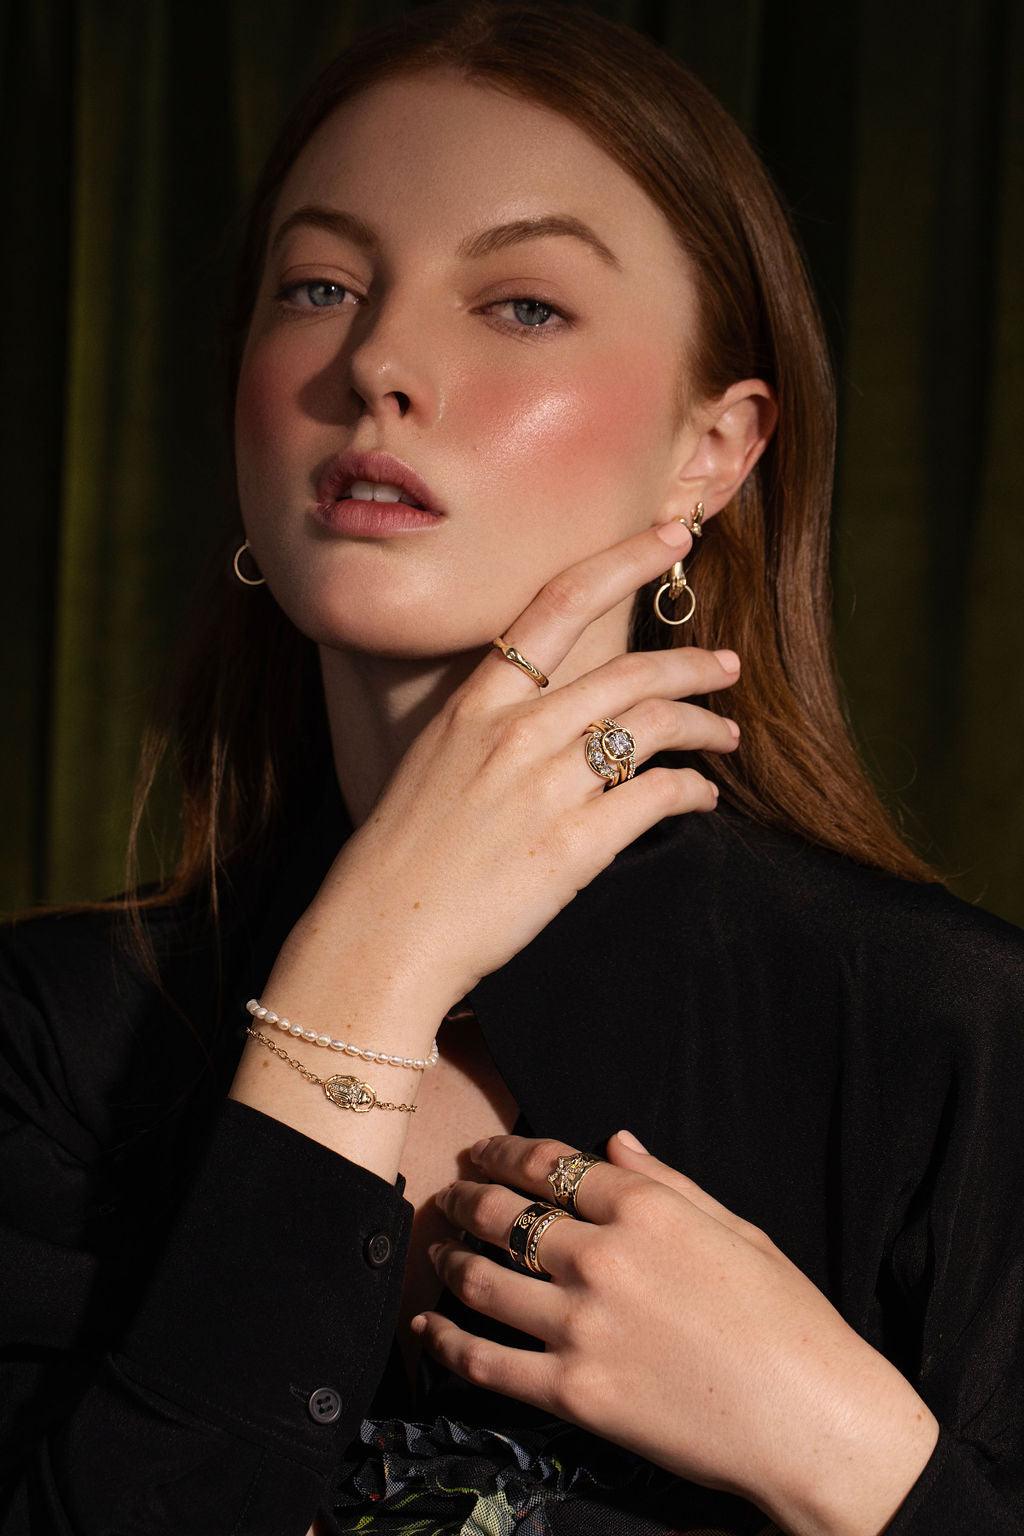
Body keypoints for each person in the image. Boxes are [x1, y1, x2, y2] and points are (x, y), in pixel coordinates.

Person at [2, 1, 1021, 1532]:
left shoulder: (948, 1041)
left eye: (524, 306)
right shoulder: (49, 1041)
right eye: (321, 283)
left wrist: (852, 1454)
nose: (378, 363)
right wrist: (353, 986)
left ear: (717, 448)